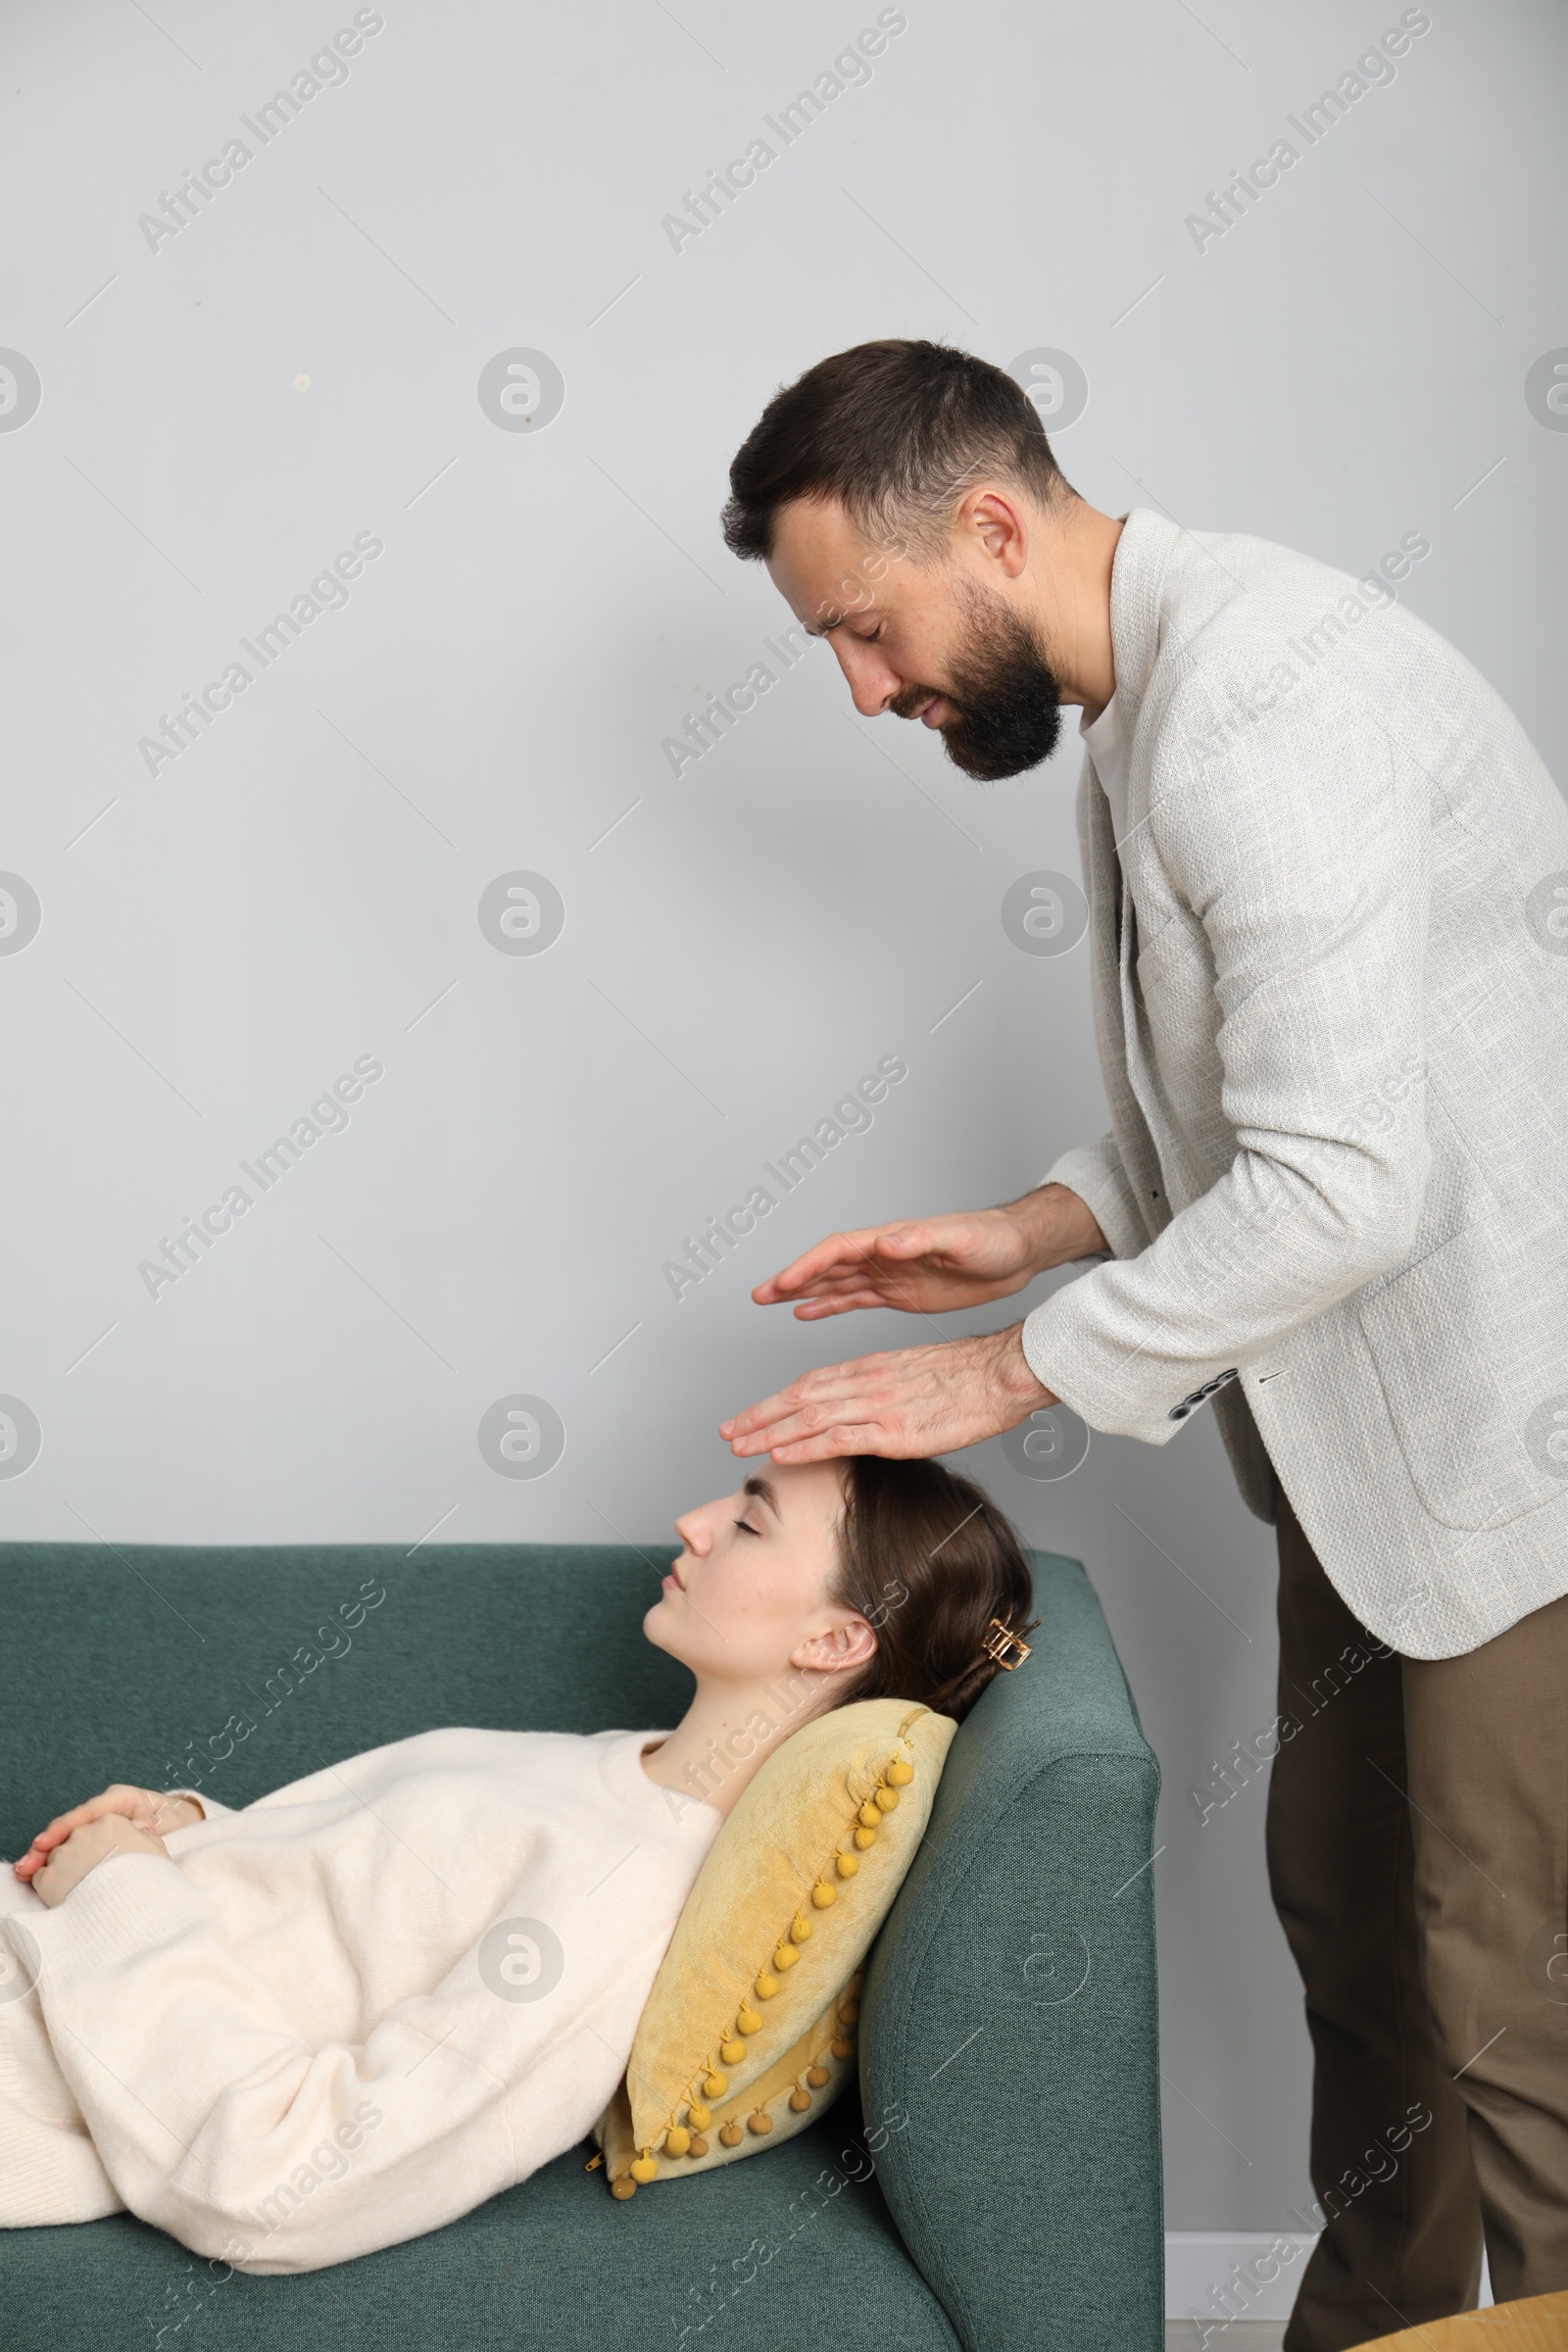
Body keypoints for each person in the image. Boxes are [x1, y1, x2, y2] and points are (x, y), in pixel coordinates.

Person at [710, 337, 1568, 2349]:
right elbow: (1265, 1095)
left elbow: (1343, 1180)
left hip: (1497, 1458)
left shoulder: (1252, 709)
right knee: (1361, 1946)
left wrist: (1012, 1366)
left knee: (1511, 2002)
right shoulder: (1155, 695)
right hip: (1363, 1475)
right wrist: (1013, 1234)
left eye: (863, 627)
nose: (861, 690)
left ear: (990, 526)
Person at [0, 1452, 1032, 2276]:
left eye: (751, 1520)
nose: (695, 1523)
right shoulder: (610, 1769)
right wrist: (180, 1830)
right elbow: (354, 1923)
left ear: (835, 1637)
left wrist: (119, 1885)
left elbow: (280, 2187)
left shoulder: (625, 1905)